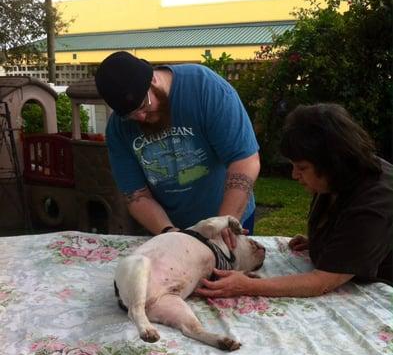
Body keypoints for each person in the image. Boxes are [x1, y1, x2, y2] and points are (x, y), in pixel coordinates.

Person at [196, 103, 393, 298]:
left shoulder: (375, 202)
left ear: (333, 163)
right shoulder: (338, 178)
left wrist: (247, 285)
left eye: (302, 167)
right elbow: (350, 227)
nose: (294, 175)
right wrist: (326, 241)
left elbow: (322, 282)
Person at [95, 51, 260, 240]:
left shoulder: (205, 88)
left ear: (153, 80)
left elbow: (244, 160)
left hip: (230, 216)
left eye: (142, 106)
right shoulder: (118, 128)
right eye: (130, 115)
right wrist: (170, 234)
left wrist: (224, 221)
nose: (140, 117)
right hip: (171, 226)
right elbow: (137, 194)